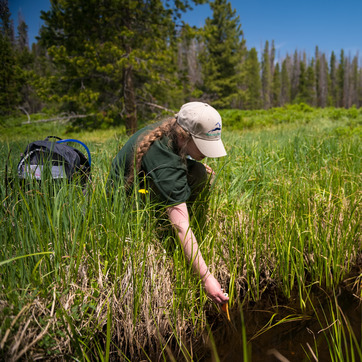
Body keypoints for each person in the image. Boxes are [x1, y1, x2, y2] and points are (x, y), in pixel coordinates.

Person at [108, 101, 229, 305]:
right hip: (127, 202)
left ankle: (173, 203)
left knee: (199, 171)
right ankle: (159, 228)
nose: (207, 152)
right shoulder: (163, 160)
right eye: (203, 146)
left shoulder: (170, 131)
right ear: (184, 135)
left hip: (145, 182)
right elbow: (181, 226)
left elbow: (175, 159)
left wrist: (191, 163)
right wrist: (207, 278)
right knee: (183, 213)